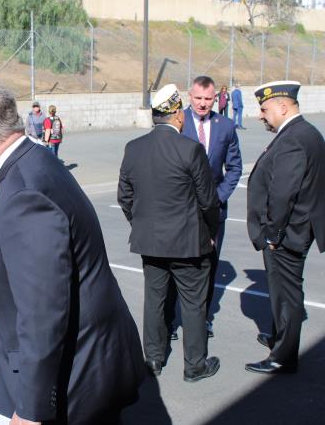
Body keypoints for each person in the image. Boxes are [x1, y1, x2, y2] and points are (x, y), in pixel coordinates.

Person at [0, 88, 145, 424]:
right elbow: (4, 253)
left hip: (75, 377)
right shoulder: (33, 160)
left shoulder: (23, 192)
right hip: (92, 357)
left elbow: (42, 309)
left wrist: (30, 410)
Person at [118, 84, 221, 382]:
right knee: (193, 304)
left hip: (150, 242)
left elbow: (125, 197)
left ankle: (153, 359)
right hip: (189, 243)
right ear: (177, 114)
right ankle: (194, 365)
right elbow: (208, 201)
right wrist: (211, 232)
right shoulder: (191, 149)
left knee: (155, 299)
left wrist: (141, 225)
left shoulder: (134, 148)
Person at [245, 81, 325, 374]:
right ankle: (281, 338)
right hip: (297, 229)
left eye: (264, 109)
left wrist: (273, 234)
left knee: (286, 294)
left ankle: (283, 356)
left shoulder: (293, 138)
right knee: (284, 292)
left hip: (288, 233)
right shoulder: (305, 132)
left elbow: (283, 193)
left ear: (282, 107)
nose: (261, 115)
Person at [167, 75, 243, 339]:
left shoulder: (226, 126)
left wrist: (217, 198)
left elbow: (234, 168)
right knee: (176, 265)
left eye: (208, 99)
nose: (202, 103)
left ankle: (203, 319)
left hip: (213, 213)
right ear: (189, 96)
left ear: (216, 98)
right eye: (198, 98)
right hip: (181, 210)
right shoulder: (178, 123)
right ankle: (169, 320)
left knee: (209, 267)